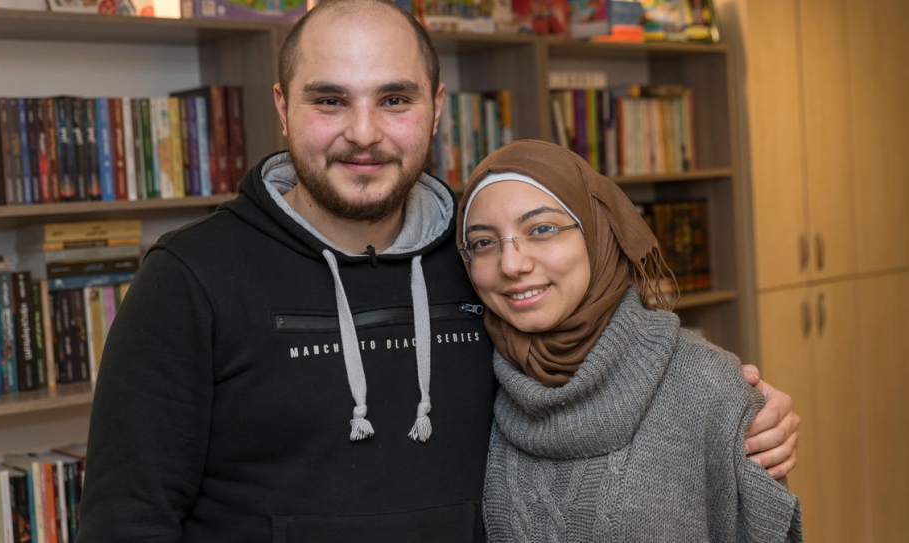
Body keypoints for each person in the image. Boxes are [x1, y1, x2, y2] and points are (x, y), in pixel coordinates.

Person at [75, 1, 798, 541]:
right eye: (330, 99)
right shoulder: (187, 280)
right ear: (283, 110)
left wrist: (736, 408)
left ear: (436, 109)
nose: (364, 132)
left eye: (394, 99)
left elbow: (611, 357)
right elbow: (125, 517)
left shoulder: (483, 253)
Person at [456, 139, 804, 542]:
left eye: (543, 229)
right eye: (483, 242)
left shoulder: (708, 385)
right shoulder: (470, 379)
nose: (512, 264)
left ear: (597, 235)